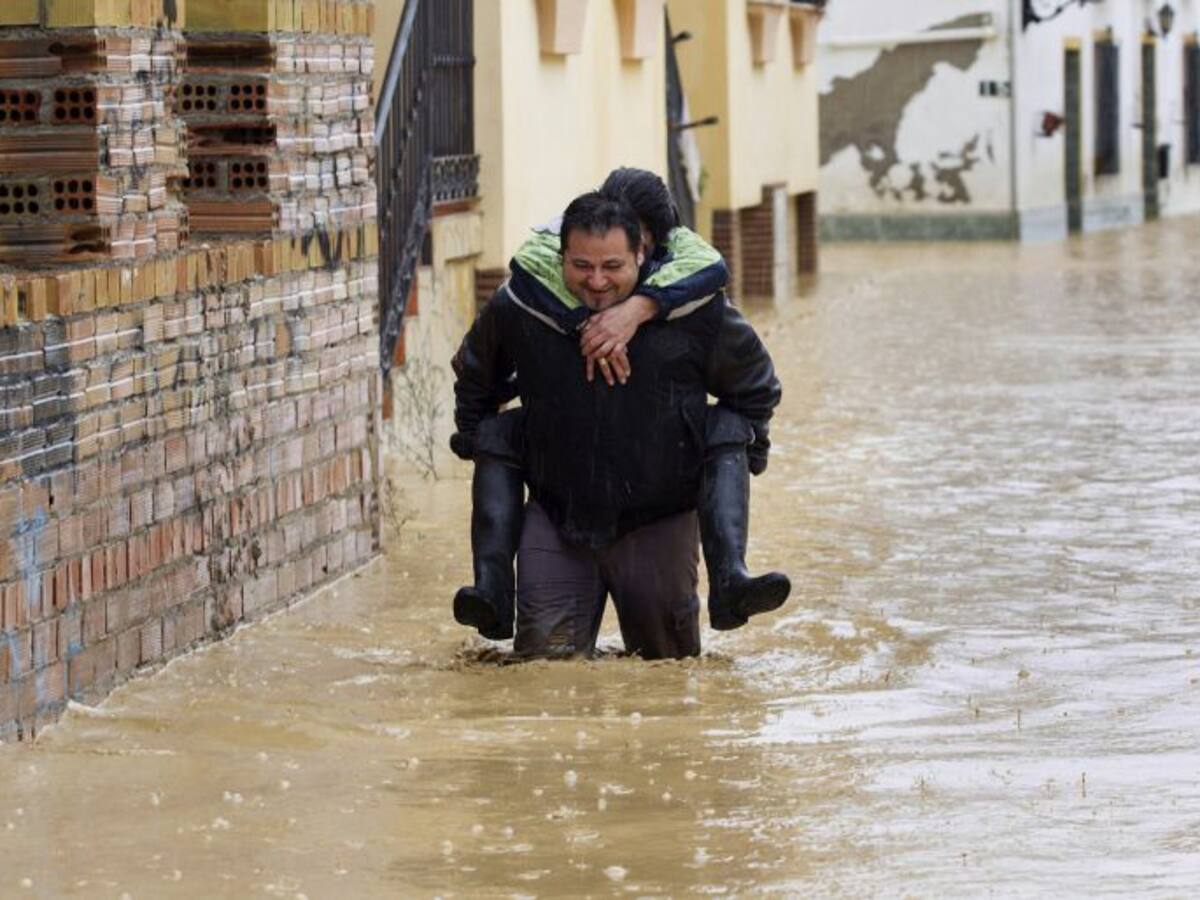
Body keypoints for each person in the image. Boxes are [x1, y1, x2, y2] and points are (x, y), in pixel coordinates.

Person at [450, 192, 785, 659]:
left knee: (668, 674)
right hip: (557, 513)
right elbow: (475, 376)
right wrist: (477, 440)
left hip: (658, 515)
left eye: (613, 266)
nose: (597, 281)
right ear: (560, 257)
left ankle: (731, 580)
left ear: (642, 256)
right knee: (543, 675)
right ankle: (492, 591)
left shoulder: (699, 313)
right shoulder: (519, 306)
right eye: (582, 266)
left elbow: (755, 386)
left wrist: (747, 452)